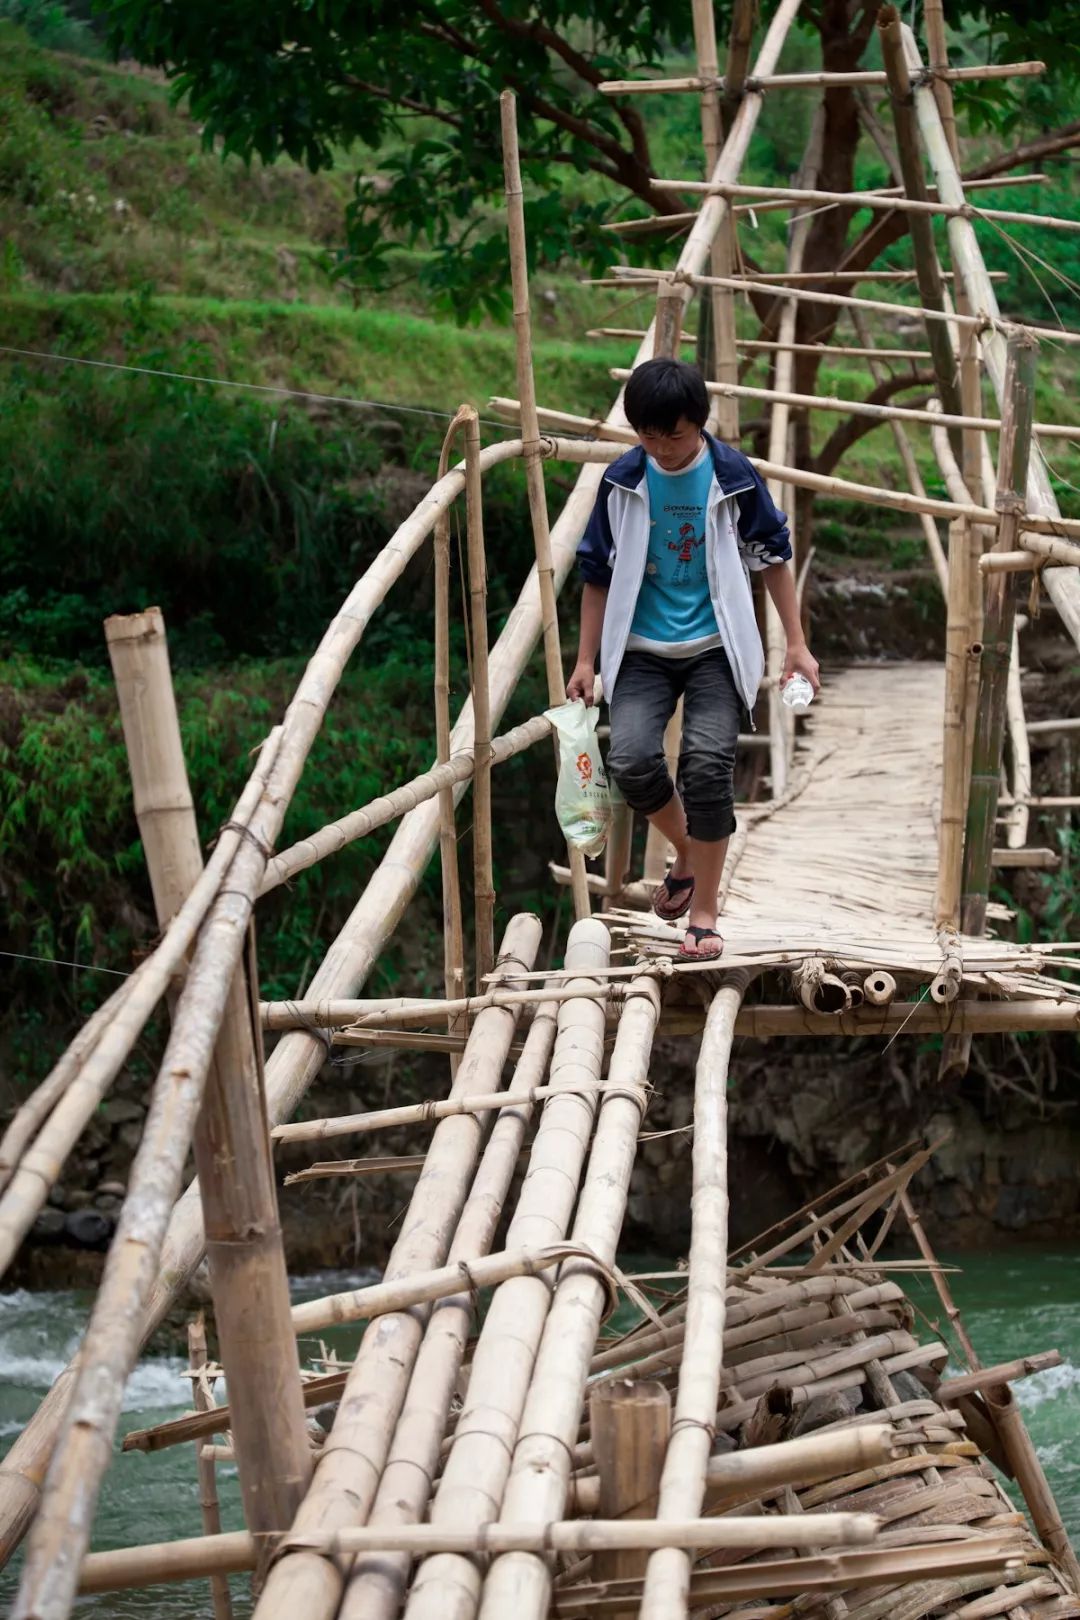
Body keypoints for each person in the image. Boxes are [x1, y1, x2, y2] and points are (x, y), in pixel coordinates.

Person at [567, 356, 819, 960]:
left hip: (715, 646)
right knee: (629, 761)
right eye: (648, 435)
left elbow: (773, 556)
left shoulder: (731, 475)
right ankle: (687, 852)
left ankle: (703, 913)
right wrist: (585, 661)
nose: (662, 448)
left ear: (699, 424)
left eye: (673, 435)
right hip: (639, 650)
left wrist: (797, 642)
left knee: (707, 767)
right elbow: (596, 574)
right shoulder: (623, 479)